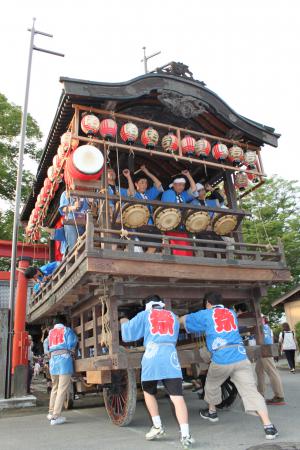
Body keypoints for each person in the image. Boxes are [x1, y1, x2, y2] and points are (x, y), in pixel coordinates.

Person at [180, 292, 279, 440]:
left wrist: (176, 319)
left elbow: (185, 320)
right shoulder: (231, 313)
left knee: (212, 384)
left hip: (221, 358)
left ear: (208, 303)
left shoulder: (206, 314)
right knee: (252, 391)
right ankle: (269, 427)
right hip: (240, 356)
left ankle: (212, 412)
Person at [120, 295, 194, 449]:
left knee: (148, 392)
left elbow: (128, 335)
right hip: (171, 357)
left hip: (152, 356)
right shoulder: (172, 316)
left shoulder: (145, 314)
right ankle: (186, 434)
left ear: (147, 304)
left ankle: (157, 426)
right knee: (177, 397)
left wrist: (123, 321)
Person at [44, 315, 78, 425]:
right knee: (62, 389)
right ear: (64, 323)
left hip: (53, 362)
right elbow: (73, 342)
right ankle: (56, 416)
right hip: (64, 361)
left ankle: (50, 413)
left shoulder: (50, 333)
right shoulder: (67, 330)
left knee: (55, 387)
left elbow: (46, 344)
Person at [254, 316, 285, 404]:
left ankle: (279, 396)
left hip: (264, 348)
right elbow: (270, 338)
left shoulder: (259, 326)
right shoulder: (266, 327)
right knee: (259, 370)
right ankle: (260, 394)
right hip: (265, 348)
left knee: (272, 372)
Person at [133, 165, 164, 253]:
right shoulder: (133, 194)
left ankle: (144, 260)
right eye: (142, 182)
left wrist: (147, 172)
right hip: (138, 224)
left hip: (150, 225)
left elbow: (158, 184)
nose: (144, 185)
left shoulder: (148, 194)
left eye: (146, 183)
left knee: (157, 242)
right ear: (136, 184)